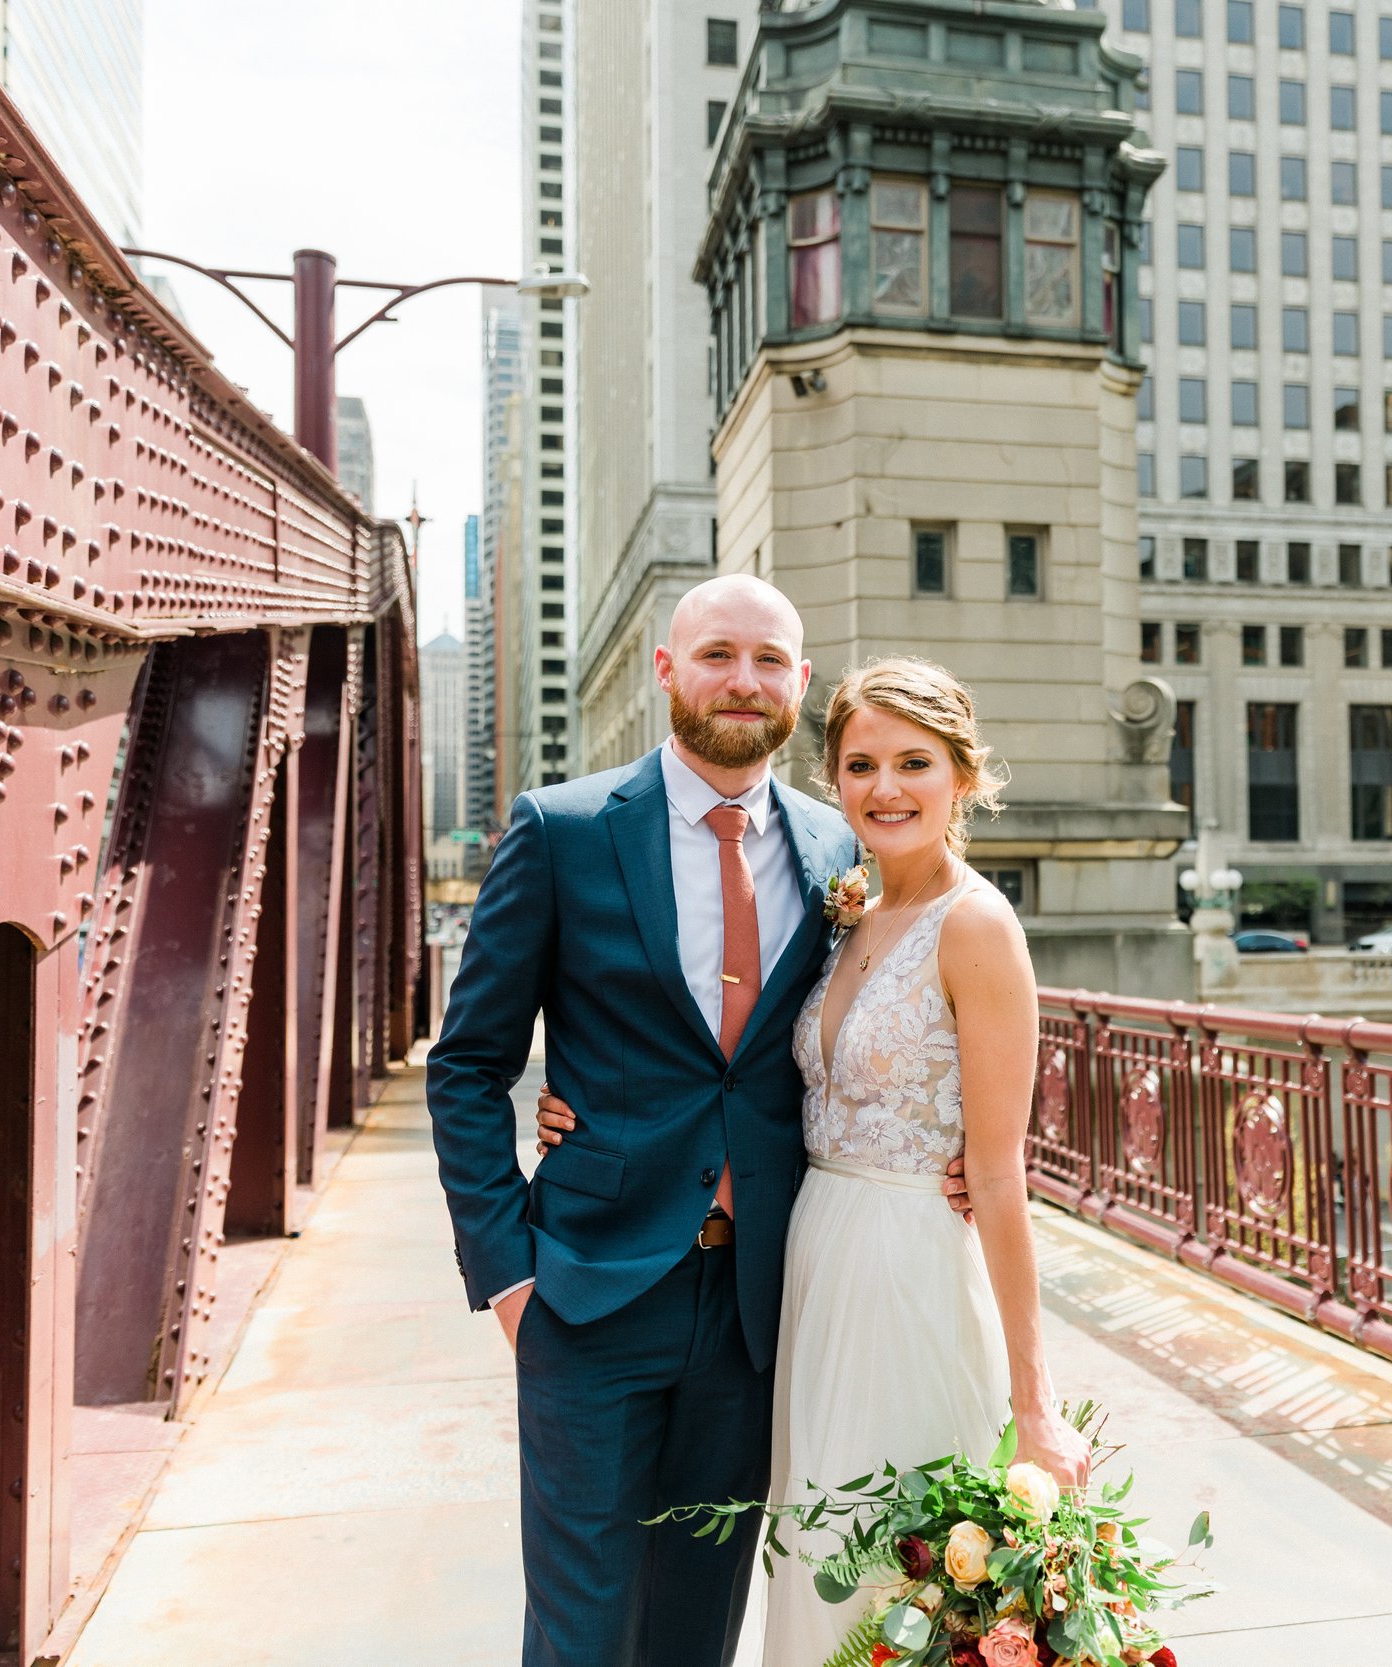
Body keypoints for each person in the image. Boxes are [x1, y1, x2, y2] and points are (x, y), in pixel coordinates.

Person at [427, 578, 970, 1666]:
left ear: (798, 685)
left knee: (698, 1618)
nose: (743, 678)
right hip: (585, 1289)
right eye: (717, 652)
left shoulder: (839, 849)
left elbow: (906, 1010)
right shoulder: (564, 827)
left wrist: (964, 1151)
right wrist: (508, 1273)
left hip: (761, 1306)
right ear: (668, 670)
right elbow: (468, 1063)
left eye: (769, 659)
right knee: (580, 1626)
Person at [537, 655, 1090, 1664]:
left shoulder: (977, 926)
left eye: (914, 762)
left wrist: (1034, 1402)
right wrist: (587, 1104)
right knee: (818, 1569)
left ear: (963, 776)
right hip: (806, 1273)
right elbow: (734, 1065)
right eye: (860, 763)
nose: (885, 788)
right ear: (832, 781)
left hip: (910, 1268)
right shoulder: (845, 914)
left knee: (904, 1572)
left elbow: (1001, 1175)